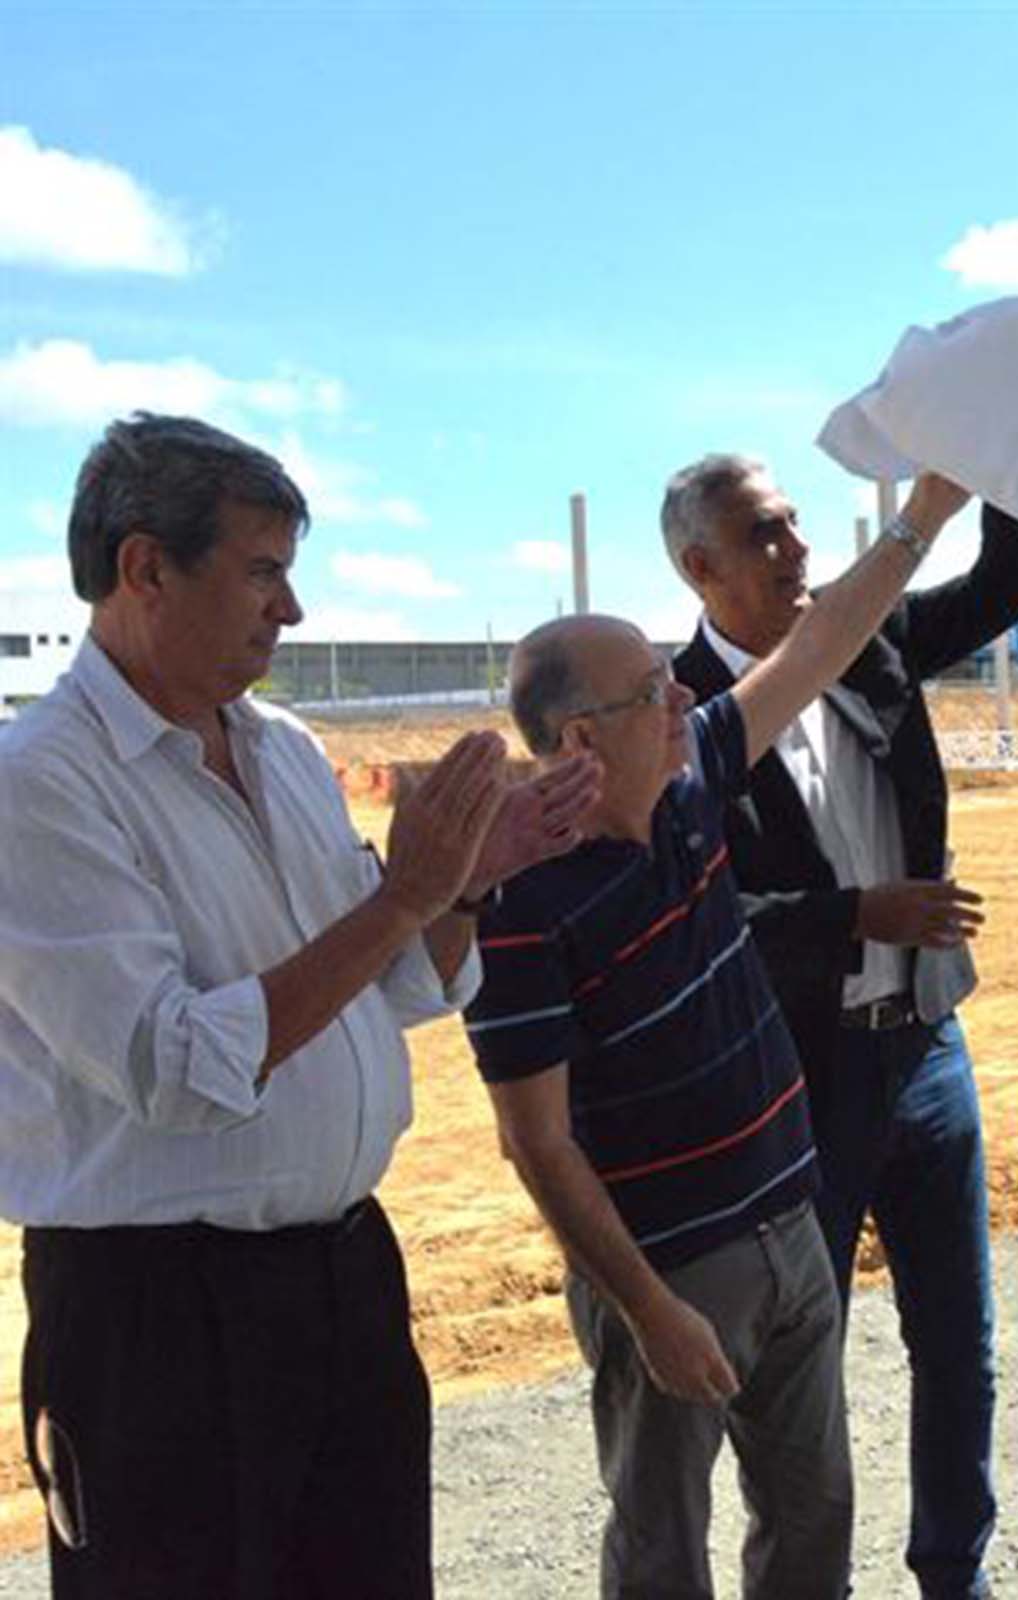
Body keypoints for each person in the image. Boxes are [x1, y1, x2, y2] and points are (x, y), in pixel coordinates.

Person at [0, 414, 596, 1600]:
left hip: (343, 1285)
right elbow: (175, 1066)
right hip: (157, 1321)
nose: (294, 610)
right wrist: (410, 891)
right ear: (144, 567)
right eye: (264, 569)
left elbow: (387, 988)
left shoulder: (282, 748)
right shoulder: (39, 784)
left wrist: (471, 881)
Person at [463, 471, 974, 1600]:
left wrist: (921, 517)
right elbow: (534, 1143)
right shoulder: (522, 903)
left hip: (788, 1223)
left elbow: (823, 641)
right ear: (583, 736)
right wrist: (648, 1308)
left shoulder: (688, 784)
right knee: (662, 1549)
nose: (678, 696)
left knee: (811, 1527)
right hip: (670, 1270)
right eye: (654, 688)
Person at [661, 455, 1018, 1598]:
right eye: (764, 534)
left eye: (793, 524)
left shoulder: (874, 640)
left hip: (927, 1048)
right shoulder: (671, 712)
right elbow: (697, 912)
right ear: (699, 566)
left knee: (958, 1342)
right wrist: (856, 916)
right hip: (794, 1076)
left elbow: (1011, 580)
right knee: (797, 1363)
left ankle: (953, 1573)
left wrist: (998, 446)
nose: (795, 549)